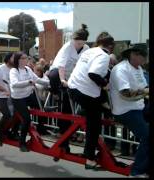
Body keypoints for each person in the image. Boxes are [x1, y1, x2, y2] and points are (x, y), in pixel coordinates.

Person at [68, 31, 115, 170]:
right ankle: (89, 158)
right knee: (94, 125)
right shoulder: (104, 55)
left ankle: (103, 108)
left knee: (96, 109)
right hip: (84, 92)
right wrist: (105, 84)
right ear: (111, 46)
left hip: (74, 87)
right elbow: (93, 74)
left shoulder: (90, 51)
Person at [48, 24, 90, 153]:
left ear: (84, 42)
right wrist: (62, 80)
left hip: (72, 76)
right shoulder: (67, 46)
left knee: (71, 102)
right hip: (59, 73)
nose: (78, 45)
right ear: (73, 40)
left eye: (80, 44)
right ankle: (54, 93)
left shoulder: (87, 48)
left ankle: (70, 130)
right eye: (76, 43)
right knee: (53, 75)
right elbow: (61, 66)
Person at [109, 47, 149, 177]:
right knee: (148, 136)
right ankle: (136, 171)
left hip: (138, 107)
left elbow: (144, 87)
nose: (146, 60)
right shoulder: (121, 69)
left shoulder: (138, 69)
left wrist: (145, 91)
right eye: (144, 57)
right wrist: (144, 92)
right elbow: (125, 93)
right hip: (125, 111)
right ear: (134, 55)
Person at [9, 52, 50, 152]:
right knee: (26, 119)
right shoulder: (14, 71)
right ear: (17, 60)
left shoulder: (28, 69)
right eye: (22, 58)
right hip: (18, 98)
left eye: (26, 58)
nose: (25, 60)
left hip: (28, 95)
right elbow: (14, 84)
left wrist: (51, 82)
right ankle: (22, 143)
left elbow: (37, 80)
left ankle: (41, 126)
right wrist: (28, 82)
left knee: (41, 108)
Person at [0, 53, 20, 146]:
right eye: (13, 57)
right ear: (8, 59)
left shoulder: (15, 70)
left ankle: (12, 133)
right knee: (7, 114)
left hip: (11, 96)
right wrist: (5, 90)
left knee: (19, 113)